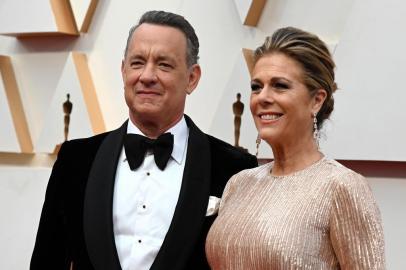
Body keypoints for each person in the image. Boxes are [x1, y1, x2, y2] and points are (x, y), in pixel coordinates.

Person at [30, 10, 257, 270]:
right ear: (123, 70)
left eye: (164, 64)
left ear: (192, 78)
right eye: (137, 62)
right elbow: (47, 261)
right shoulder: (76, 159)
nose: (147, 76)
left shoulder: (236, 170)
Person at [206, 27, 385, 269]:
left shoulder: (341, 187)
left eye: (279, 85)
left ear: (316, 100)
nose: (262, 97)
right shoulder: (238, 184)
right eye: (256, 87)